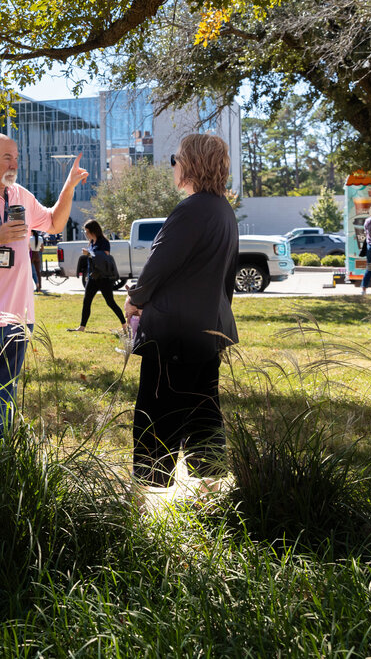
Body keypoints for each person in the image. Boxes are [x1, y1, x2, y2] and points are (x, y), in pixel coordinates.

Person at [0, 132, 88, 444]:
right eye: (7, 157)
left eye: (16, 157)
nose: (15, 163)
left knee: (7, 391)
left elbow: (53, 223)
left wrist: (69, 186)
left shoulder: (19, 194)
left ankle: (2, 456)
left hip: (21, 315)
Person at [124, 134, 239, 494]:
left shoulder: (190, 211)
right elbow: (227, 281)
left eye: (175, 159)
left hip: (174, 335)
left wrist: (135, 299)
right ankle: (211, 497)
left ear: (191, 163)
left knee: (156, 419)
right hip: (207, 332)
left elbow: (159, 266)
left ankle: (148, 506)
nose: (172, 165)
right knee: (204, 416)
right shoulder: (222, 210)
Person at [71, 219, 126, 331]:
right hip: (93, 277)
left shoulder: (104, 242)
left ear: (93, 231)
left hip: (104, 278)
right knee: (86, 301)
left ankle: (125, 325)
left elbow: (104, 259)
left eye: (87, 231)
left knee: (110, 302)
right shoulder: (91, 242)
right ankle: (82, 327)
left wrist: (90, 254)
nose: (86, 234)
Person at [360, 202, 371, 296]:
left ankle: (363, 289)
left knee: (370, 267)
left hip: (369, 246)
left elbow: (365, 231)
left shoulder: (368, 220)